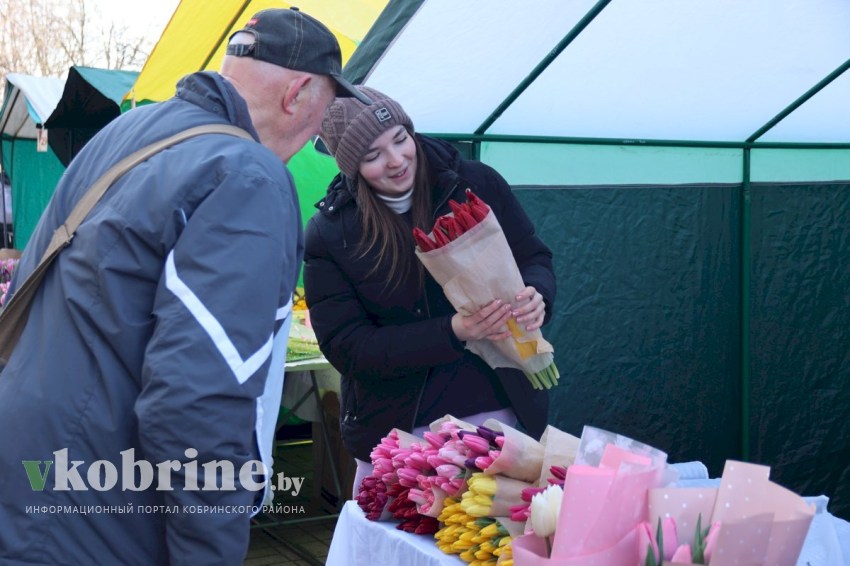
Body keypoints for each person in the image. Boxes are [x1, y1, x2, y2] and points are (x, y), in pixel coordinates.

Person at [0, 8, 369, 564]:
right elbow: (197, 402)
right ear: (297, 94)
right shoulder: (248, 175)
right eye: (326, 109)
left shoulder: (130, 131)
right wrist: (210, 551)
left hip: (32, 474)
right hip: (100, 513)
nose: (321, 130)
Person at [304, 87, 556, 493]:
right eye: (372, 156)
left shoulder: (474, 182)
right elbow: (348, 347)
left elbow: (533, 255)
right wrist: (453, 331)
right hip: (400, 432)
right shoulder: (332, 233)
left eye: (400, 139)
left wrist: (536, 294)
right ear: (351, 168)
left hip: (496, 410)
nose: (396, 160)